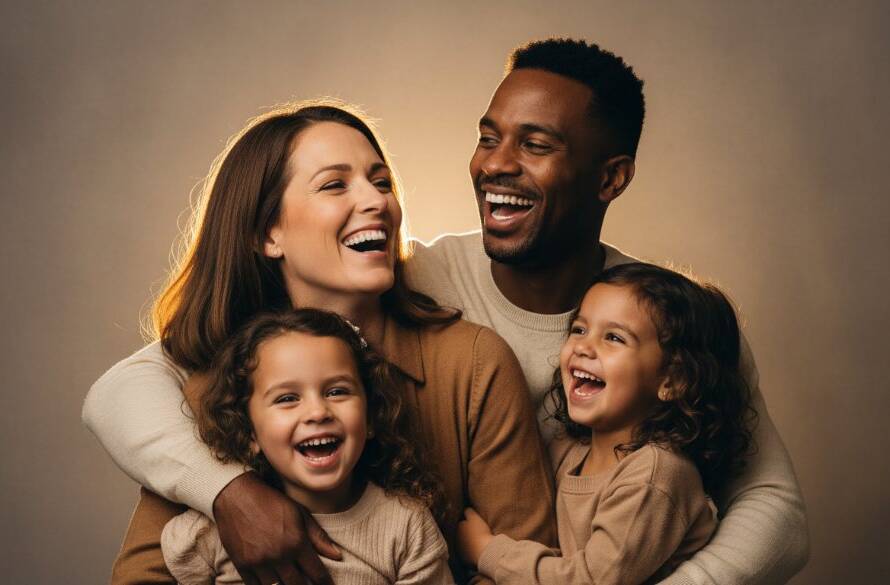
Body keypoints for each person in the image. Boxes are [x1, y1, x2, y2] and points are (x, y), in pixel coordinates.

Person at [83, 101, 556, 585]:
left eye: (382, 181)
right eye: (334, 185)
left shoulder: (473, 363)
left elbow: (521, 561)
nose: (376, 201)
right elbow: (143, 572)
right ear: (268, 233)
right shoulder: (221, 377)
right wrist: (230, 492)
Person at [404, 38, 809, 583]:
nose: (495, 164)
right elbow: (266, 347)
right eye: (487, 138)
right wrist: (242, 484)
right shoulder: (415, 280)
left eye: (536, 145)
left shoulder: (671, 320)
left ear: (610, 178)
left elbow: (776, 511)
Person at [456, 263, 756, 584]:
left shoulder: (656, 476)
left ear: (674, 379)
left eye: (614, 337)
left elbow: (586, 580)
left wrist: (487, 550)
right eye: (579, 329)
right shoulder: (567, 450)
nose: (584, 347)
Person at [162, 308, 454, 584]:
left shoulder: (406, 528)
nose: (318, 412)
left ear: (370, 418)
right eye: (287, 398)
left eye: (337, 391)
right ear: (249, 431)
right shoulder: (210, 531)